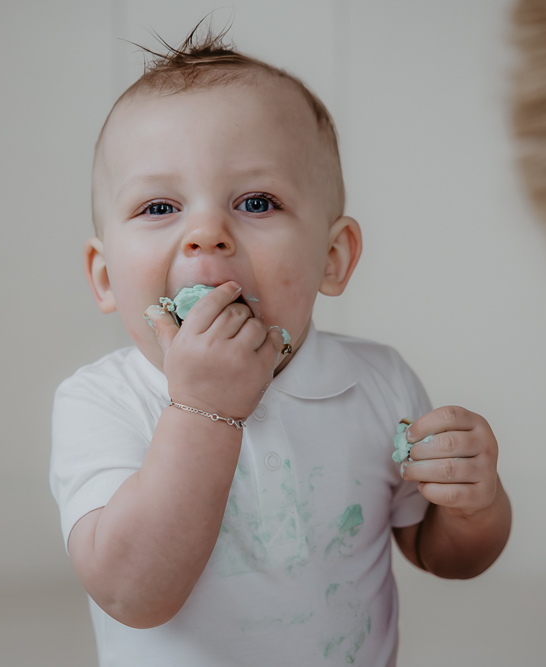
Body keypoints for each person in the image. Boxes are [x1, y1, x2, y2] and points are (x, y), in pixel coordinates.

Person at [50, 27, 511, 667]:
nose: (206, 234)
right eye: (160, 206)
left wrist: (475, 504)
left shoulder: (376, 384)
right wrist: (201, 410)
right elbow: (133, 594)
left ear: (332, 257)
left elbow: (445, 556)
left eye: (256, 201)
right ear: (105, 277)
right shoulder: (101, 403)